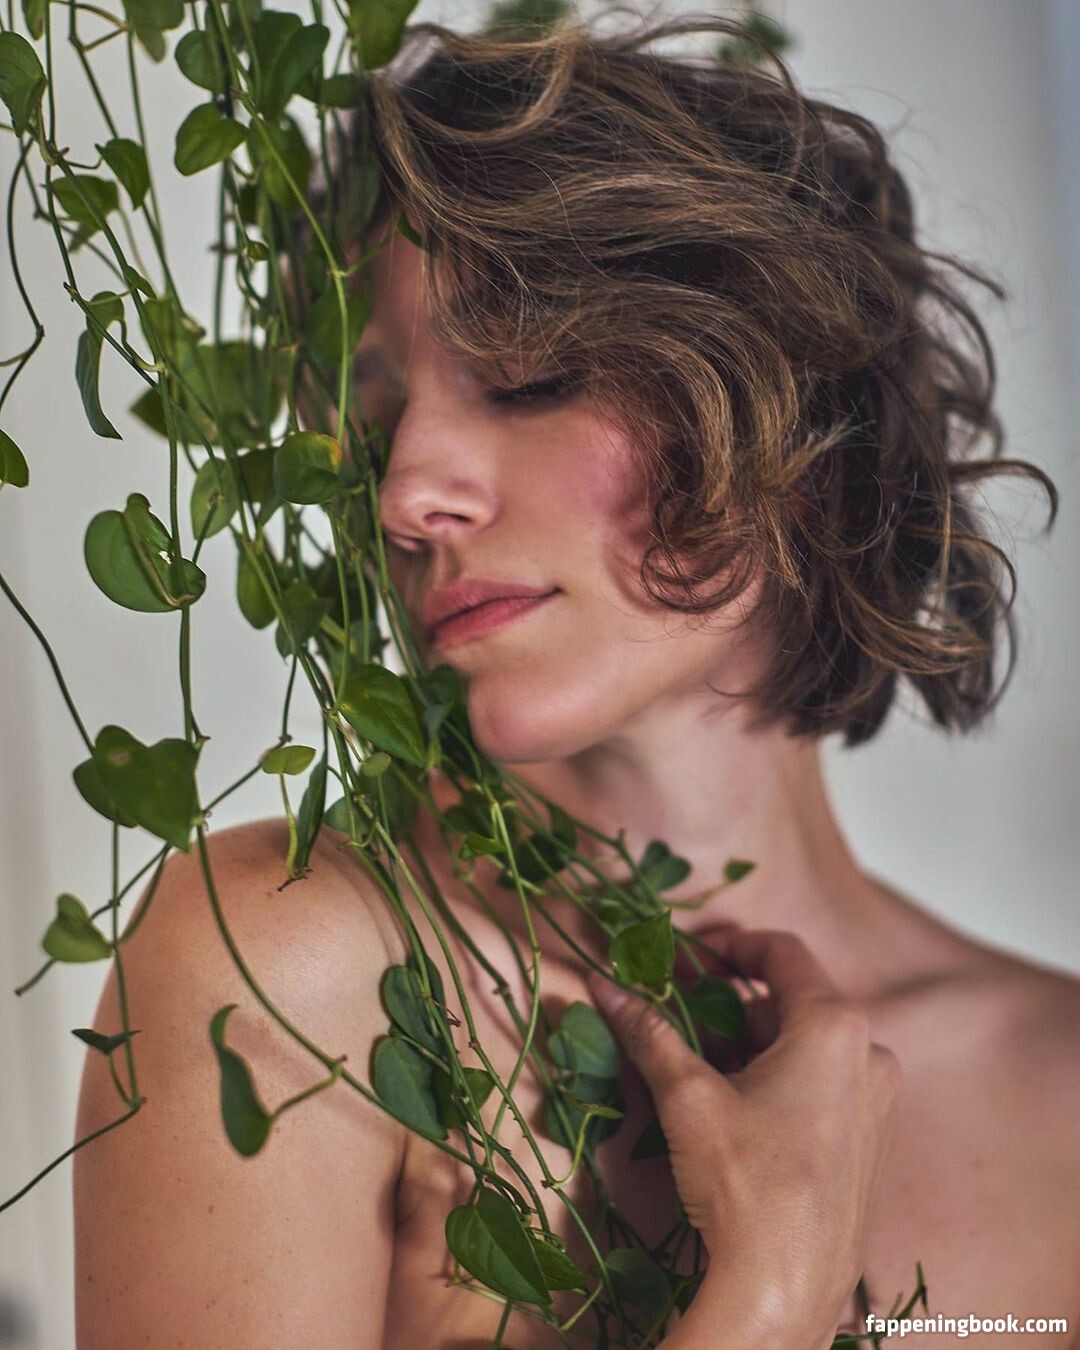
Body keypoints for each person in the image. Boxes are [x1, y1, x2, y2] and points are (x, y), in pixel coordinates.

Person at [73, 16, 1077, 1350]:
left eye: (530, 376)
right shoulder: (292, 972)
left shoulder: (1063, 1091)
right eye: (372, 418)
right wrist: (767, 1300)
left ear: (797, 422)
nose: (409, 491)